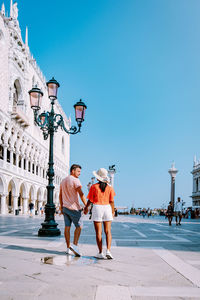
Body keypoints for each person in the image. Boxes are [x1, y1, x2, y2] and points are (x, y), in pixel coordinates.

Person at [84, 168, 115, 259]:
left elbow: (90, 200)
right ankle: (108, 251)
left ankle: (100, 252)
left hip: (97, 208)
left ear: (98, 178)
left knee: (98, 232)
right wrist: (112, 211)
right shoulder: (109, 188)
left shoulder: (94, 187)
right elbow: (112, 201)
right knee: (108, 231)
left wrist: (86, 208)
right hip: (107, 208)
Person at [59, 164, 87, 257]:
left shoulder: (63, 181)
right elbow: (81, 194)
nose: (79, 173)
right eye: (78, 171)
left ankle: (68, 248)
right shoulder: (75, 180)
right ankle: (74, 246)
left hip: (65, 208)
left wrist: (61, 206)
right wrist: (86, 205)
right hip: (74, 208)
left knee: (67, 227)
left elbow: (60, 195)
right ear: (72, 171)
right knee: (79, 227)